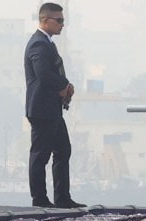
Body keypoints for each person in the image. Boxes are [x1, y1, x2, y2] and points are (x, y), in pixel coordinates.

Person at [24, 3, 85, 209]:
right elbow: (43, 74)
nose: (62, 25)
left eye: (63, 20)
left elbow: (53, 72)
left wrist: (66, 86)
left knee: (63, 150)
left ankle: (62, 198)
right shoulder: (38, 44)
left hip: (52, 110)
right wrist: (63, 85)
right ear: (44, 20)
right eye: (58, 20)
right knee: (40, 155)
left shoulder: (47, 43)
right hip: (42, 110)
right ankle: (39, 199)